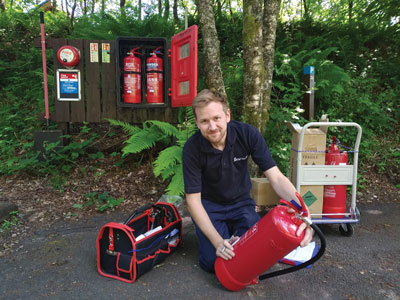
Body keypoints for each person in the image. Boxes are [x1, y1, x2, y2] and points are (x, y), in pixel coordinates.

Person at [182, 89, 313, 273]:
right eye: (204, 121)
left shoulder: (247, 134)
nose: (212, 127)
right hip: (209, 206)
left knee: (259, 250)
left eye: (216, 118)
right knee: (214, 262)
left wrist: (305, 214)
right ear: (197, 122)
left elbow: (276, 177)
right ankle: (219, 234)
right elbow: (193, 201)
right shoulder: (192, 149)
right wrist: (218, 242)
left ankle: (232, 232)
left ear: (227, 115)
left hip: (241, 204)